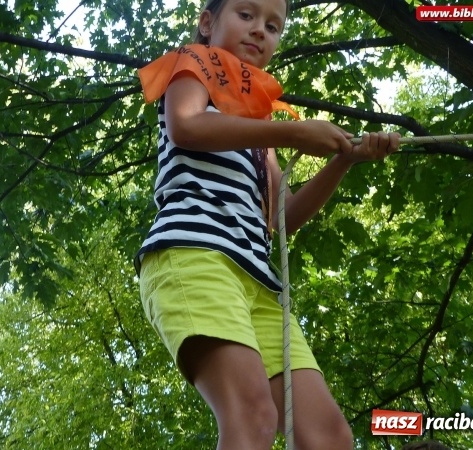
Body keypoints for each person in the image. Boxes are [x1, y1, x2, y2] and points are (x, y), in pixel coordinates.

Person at [135, 0, 401, 449]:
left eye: (273, 25)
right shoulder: (192, 63)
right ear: (206, 22)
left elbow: (284, 215)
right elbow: (186, 126)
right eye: (246, 15)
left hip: (261, 284)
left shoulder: (260, 122)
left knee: (329, 437)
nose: (260, 30)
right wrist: (294, 133)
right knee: (253, 416)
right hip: (195, 255)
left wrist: (344, 160)